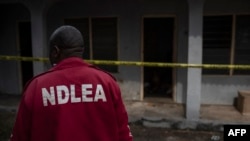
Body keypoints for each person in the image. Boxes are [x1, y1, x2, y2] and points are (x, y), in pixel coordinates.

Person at [10, 25, 133, 141]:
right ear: (81, 50)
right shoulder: (107, 82)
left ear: (55, 51)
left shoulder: (36, 87)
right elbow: (124, 135)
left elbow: (19, 137)